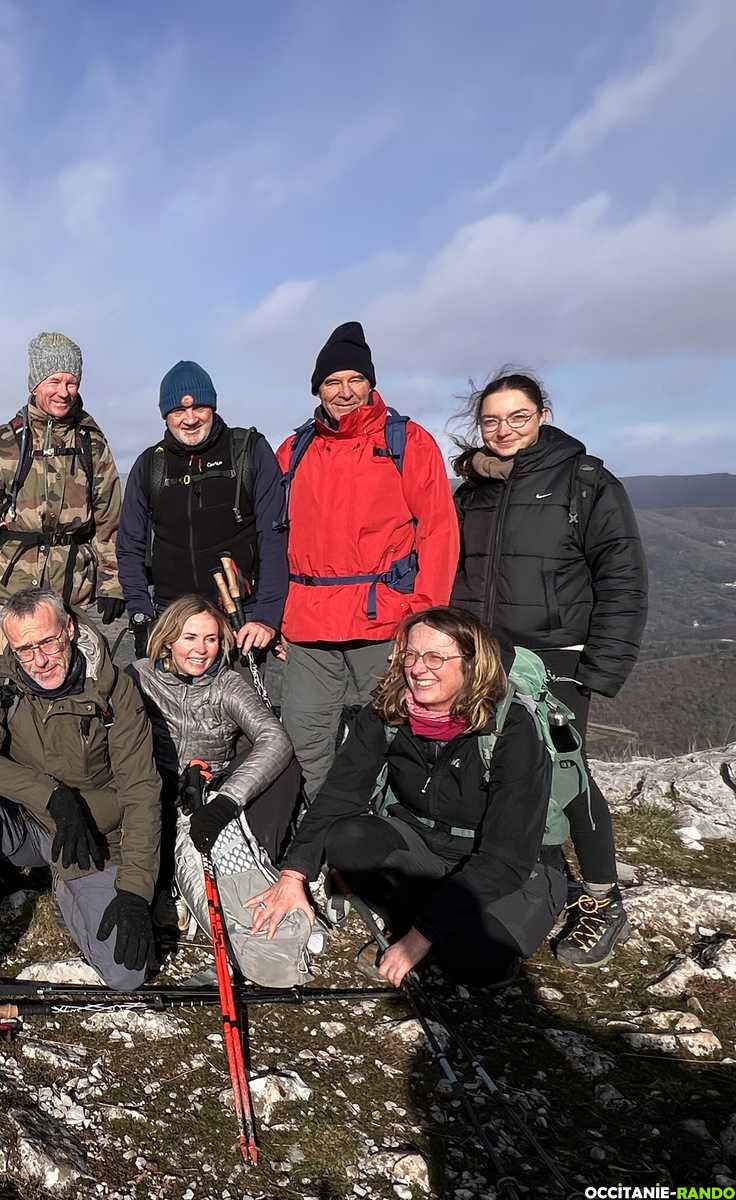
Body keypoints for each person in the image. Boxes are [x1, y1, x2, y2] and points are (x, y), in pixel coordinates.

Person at [252, 607, 565, 988]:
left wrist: (419, 938)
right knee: (347, 839)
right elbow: (340, 794)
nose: (418, 669)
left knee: (481, 961)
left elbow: (505, 858)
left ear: (471, 664)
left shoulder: (510, 731)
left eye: (435, 657)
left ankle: (426, 923)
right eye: (411, 655)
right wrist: (293, 873)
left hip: (502, 867)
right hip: (422, 845)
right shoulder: (389, 711)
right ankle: (425, 917)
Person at [451, 370, 648, 967]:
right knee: (496, 769)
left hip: (556, 656)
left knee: (565, 770)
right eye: (491, 420)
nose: (504, 430)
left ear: (541, 414)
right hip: (484, 654)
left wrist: (603, 666)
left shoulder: (584, 483)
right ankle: (521, 879)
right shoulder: (472, 491)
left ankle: (600, 896)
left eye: (517, 416)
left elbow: (622, 573)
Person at [275, 321, 459, 803]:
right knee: (306, 734)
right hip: (308, 621)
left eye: (355, 380)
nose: (344, 392)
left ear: (371, 384)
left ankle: (394, 829)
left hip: (387, 617)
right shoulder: (295, 450)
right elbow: (271, 538)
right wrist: (271, 616)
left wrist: (425, 616)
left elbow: (439, 530)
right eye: (332, 382)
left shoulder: (408, 442)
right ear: (318, 389)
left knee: (396, 731)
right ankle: (329, 827)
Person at [0, 586, 161, 989]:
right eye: (25, 649)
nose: (39, 660)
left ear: (71, 629)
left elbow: (141, 791)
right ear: (11, 647)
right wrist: (53, 796)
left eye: (48, 642)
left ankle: (66, 888)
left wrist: (134, 891)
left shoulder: (113, 691)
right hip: (27, 821)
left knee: (127, 973)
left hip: (91, 837)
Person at [128, 596, 312, 985]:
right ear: (167, 640)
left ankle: (261, 874)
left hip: (216, 791)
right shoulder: (139, 677)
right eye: (190, 637)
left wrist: (227, 801)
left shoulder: (226, 682)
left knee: (285, 768)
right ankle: (172, 892)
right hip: (157, 789)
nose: (201, 650)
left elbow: (274, 739)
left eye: (211, 639)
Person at [0, 333, 125, 656]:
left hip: (74, 591)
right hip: (17, 585)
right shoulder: (7, 440)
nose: (64, 392)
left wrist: (113, 581)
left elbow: (110, 519)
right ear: (35, 383)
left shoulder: (91, 442)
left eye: (72, 382)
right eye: (54, 381)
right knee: (10, 678)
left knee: (83, 682)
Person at [116, 361, 288, 660]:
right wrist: (141, 613)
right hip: (172, 619)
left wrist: (267, 616)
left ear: (213, 407)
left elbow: (274, 539)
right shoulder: (150, 465)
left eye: (199, 408)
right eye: (179, 411)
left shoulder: (249, 452)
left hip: (239, 620)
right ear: (165, 415)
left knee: (241, 705)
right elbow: (130, 546)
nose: (190, 419)